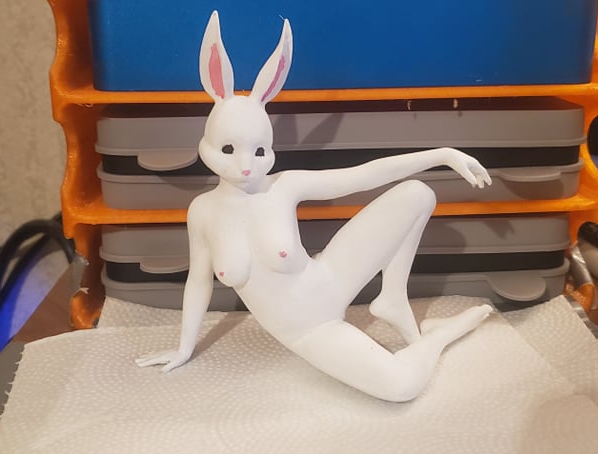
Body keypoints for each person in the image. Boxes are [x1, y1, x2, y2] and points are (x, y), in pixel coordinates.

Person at [137, 11, 494, 402]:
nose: (245, 166)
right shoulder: (203, 212)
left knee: (417, 193)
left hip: (331, 276)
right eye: (228, 149)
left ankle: (392, 297)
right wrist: (184, 347)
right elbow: (199, 282)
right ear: (207, 145)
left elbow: (364, 175)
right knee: (401, 387)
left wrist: (442, 154)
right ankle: (439, 338)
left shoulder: (284, 185)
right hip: (310, 328)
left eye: (259, 151)